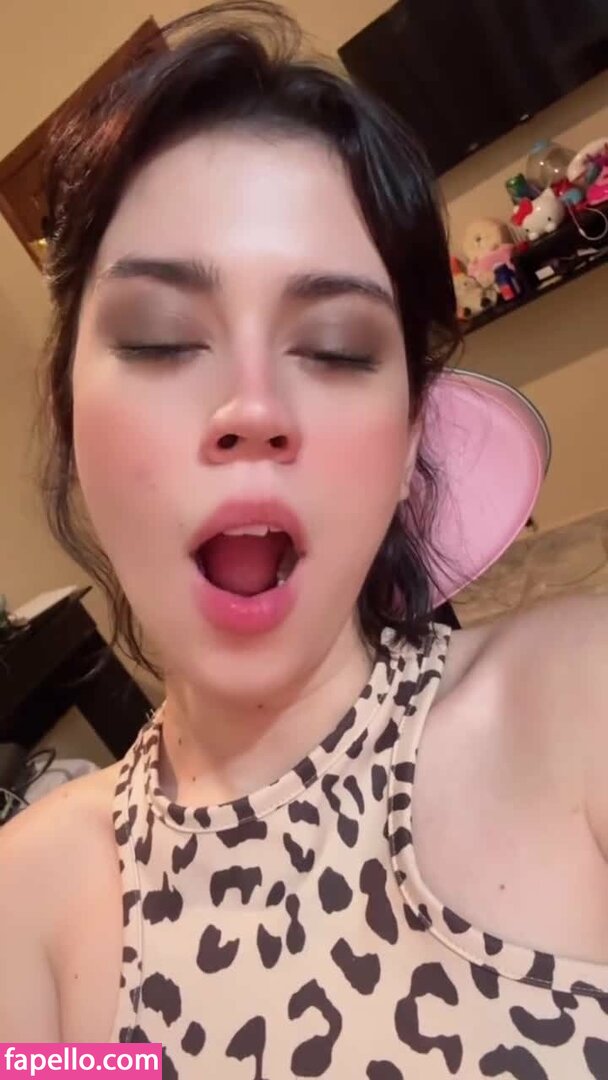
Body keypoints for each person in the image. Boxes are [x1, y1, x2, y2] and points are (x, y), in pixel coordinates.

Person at [1, 3, 607, 1075]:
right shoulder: (25, 901)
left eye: (333, 348)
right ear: (70, 419)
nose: (251, 406)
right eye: (159, 338)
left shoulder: (585, 697)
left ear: (410, 434)